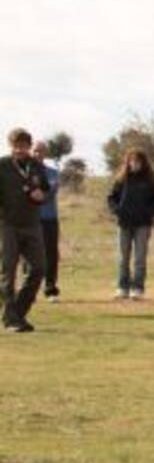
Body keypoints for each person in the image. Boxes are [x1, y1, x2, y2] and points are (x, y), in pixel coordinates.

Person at [0, 127, 49, 334]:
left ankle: (18, 312)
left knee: (39, 268)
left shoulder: (36, 166)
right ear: (11, 146)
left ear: (29, 146)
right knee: (7, 272)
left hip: (31, 224)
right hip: (7, 225)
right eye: (16, 146)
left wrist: (41, 195)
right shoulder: (2, 166)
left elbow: (45, 189)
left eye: (24, 146)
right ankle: (11, 319)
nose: (20, 150)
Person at [107, 148, 154, 299]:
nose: (134, 164)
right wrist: (117, 210)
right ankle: (122, 287)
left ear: (143, 163)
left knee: (140, 258)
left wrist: (149, 212)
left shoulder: (150, 180)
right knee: (123, 257)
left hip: (143, 225)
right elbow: (111, 198)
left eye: (137, 161)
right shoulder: (121, 179)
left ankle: (138, 288)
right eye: (132, 161)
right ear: (127, 162)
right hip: (124, 223)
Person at [31, 141, 61, 301]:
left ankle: (50, 288)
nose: (38, 154)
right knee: (29, 253)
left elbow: (50, 191)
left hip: (49, 218)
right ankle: (29, 290)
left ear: (45, 153)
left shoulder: (52, 172)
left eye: (41, 151)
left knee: (51, 253)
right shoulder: (25, 171)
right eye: (35, 151)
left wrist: (36, 195)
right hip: (30, 218)